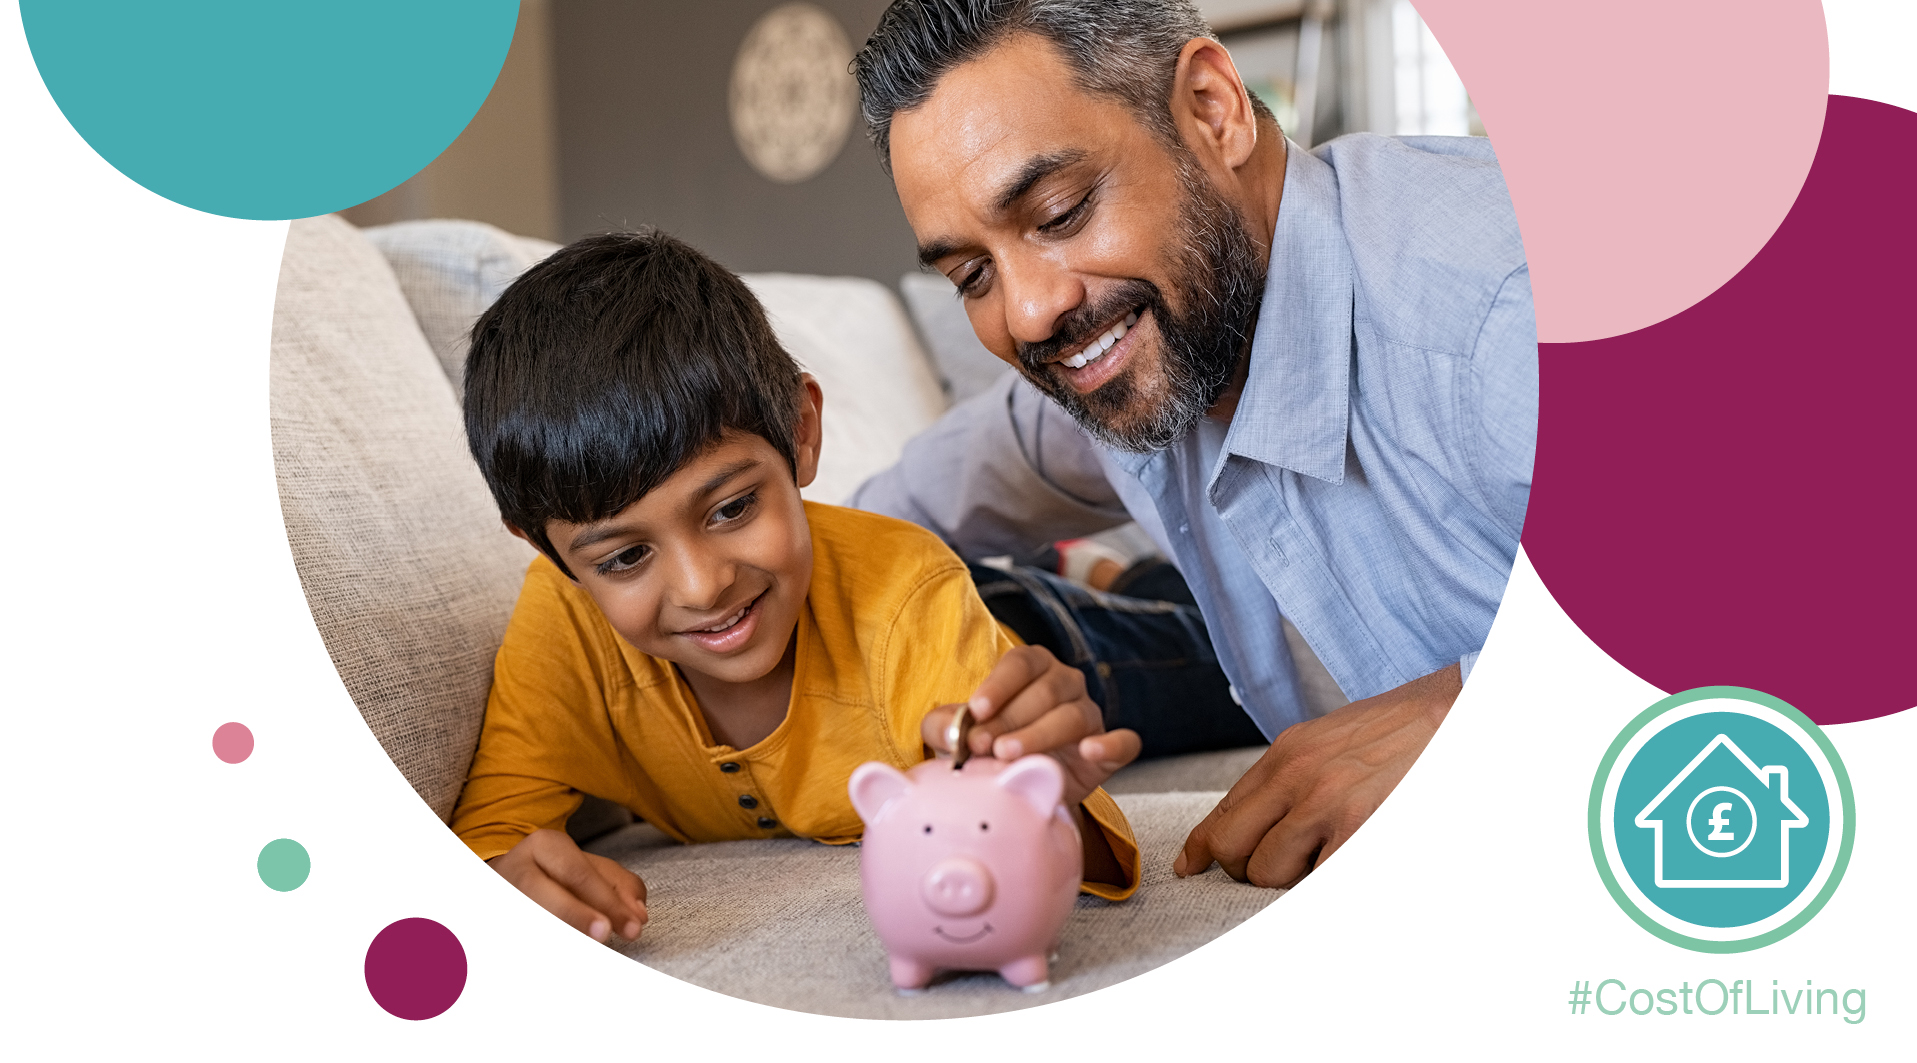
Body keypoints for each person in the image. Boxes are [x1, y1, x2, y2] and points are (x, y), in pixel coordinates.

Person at [848, 0, 1537, 890]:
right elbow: (851, 538)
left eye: (1058, 212)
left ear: (1213, 109)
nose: (1026, 312)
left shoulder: (1505, 310)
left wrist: (1462, 718)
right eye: (972, 275)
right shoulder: (1117, 363)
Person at [450, 230, 1142, 943]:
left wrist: (1040, 786)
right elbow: (493, 834)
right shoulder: (563, 621)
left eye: (732, 508)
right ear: (544, 548)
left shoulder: (908, 592)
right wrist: (507, 879)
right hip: (965, 604)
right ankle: (1083, 569)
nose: (702, 585)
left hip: (1041, 638)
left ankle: (1111, 576)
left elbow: (1060, 820)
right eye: (625, 556)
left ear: (801, 428)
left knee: (1181, 650)